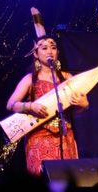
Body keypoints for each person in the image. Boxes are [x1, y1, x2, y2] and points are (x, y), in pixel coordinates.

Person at [6, 35, 89, 176]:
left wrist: (83, 104)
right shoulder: (30, 79)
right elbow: (11, 104)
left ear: (58, 53)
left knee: (68, 180)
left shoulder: (67, 78)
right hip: (38, 137)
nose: (49, 51)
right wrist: (30, 106)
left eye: (53, 47)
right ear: (36, 54)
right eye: (44, 48)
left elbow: (80, 107)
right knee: (43, 181)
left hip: (65, 136)